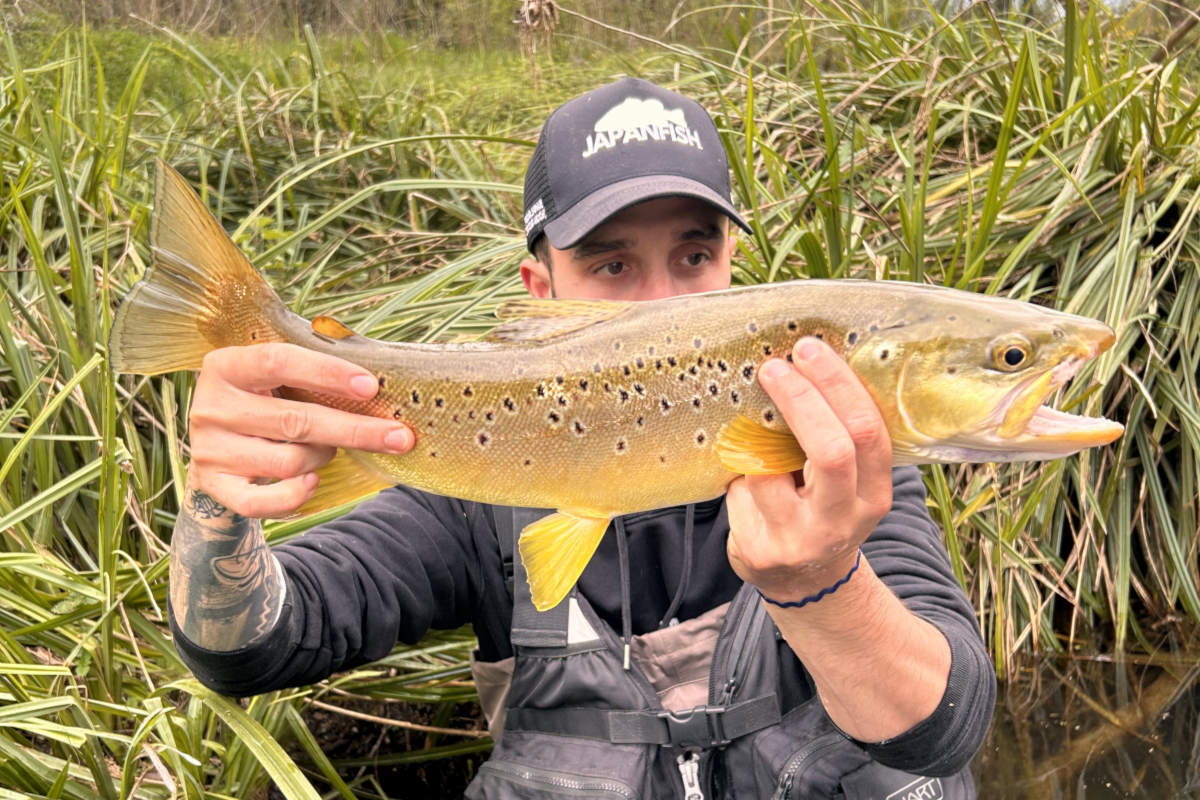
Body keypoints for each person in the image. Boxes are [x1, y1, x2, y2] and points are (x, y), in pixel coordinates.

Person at [169, 77, 995, 797]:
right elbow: (250, 651)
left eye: (695, 255)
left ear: (734, 264)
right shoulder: (466, 488)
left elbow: (942, 729)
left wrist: (823, 583)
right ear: (540, 287)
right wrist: (218, 505)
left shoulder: (838, 462)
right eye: (612, 267)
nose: (662, 303)